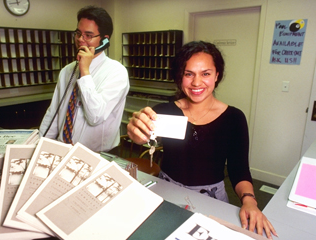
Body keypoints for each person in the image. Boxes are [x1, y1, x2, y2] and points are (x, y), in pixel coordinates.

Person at [127, 41, 277, 239]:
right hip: (166, 190)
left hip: (212, 199)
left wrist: (249, 201)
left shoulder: (233, 118)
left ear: (217, 75)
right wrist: (135, 133)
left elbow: (239, 168)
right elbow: (142, 137)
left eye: (205, 73)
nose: (197, 83)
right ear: (180, 77)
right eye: (189, 74)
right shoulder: (164, 111)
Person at [39, 6, 129, 152]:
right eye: (78, 33)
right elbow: (53, 113)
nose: (80, 40)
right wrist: (40, 145)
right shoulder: (67, 71)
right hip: (63, 149)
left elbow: (95, 117)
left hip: (99, 155)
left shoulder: (117, 72)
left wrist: (85, 72)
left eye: (88, 35)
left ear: (104, 41)